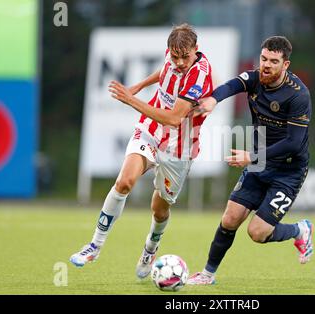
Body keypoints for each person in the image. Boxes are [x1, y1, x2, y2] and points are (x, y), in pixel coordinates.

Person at [70, 23, 214, 280]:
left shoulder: (200, 76)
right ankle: (95, 245)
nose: (179, 62)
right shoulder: (173, 57)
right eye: (175, 55)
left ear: (196, 50)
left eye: (185, 57)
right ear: (169, 50)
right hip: (150, 131)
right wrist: (138, 86)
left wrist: (130, 99)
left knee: (159, 209)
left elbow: (172, 119)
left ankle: (150, 248)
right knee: (124, 182)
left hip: (179, 148)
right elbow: (164, 71)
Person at [187, 36, 313, 285]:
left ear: (285, 65)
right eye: (263, 59)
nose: (266, 65)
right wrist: (213, 99)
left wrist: (251, 156)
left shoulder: (298, 95)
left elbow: (293, 142)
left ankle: (300, 230)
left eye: (273, 62)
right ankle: (207, 274)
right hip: (259, 165)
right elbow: (233, 85)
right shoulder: (255, 79)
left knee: (257, 233)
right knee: (230, 218)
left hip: (289, 171)